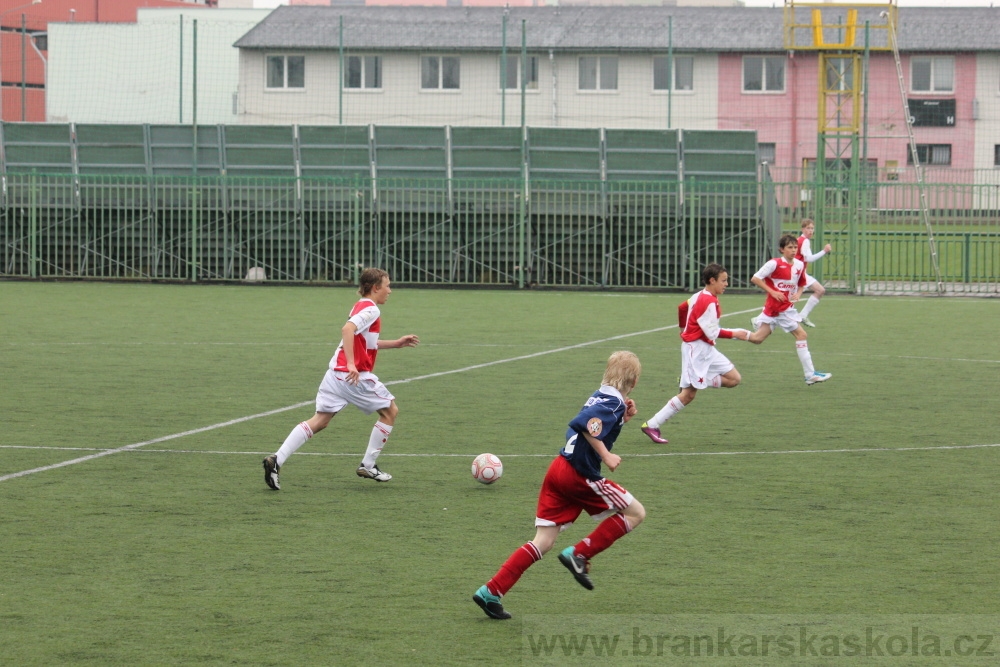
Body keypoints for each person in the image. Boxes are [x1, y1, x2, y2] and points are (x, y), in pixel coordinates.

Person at [472, 351, 644, 620]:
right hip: (578, 474)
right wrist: (608, 455)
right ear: (633, 381)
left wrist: (623, 418)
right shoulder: (612, 403)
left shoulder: (601, 396)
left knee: (543, 541)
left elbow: (594, 424)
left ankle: (491, 591)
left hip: (558, 470)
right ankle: (580, 554)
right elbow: (585, 425)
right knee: (635, 513)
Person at [262, 268, 419, 490]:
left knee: (320, 420)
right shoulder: (371, 309)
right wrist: (353, 365)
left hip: (334, 374)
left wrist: (396, 343)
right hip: (353, 376)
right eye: (387, 285)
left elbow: (365, 342)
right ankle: (368, 464)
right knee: (390, 412)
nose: (390, 291)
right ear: (376, 287)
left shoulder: (360, 305)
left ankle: (276, 460)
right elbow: (347, 329)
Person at [639, 263, 751, 445]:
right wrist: (736, 334)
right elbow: (712, 333)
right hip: (696, 350)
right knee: (689, 394)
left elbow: (682, 308)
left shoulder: (699, 295)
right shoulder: (707, 301)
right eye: (723, 280)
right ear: (712, 280)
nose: (727, 284)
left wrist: (683, 327)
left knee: (734, 379)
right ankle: (652, 424)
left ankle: (688, 378)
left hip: (707, 349)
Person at [748, 235, 832, 385]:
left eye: (795, 247)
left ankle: (722, 333)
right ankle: (810, 375)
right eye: (789, 247)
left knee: (757, 339)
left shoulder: (799, 265)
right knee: (801, 334)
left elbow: (801, 283)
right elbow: (755, 278)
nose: (793, 250)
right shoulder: (773, 264)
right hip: (779, 309)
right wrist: (772, 292)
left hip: (782, 308)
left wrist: (798, 294)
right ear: (782, 249)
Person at [796, 218, 832, 327]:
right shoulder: (804, 241)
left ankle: (803, 315)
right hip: (797, 275)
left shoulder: (803, 240)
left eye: (812, 228)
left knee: (820, 290)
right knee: (785, 302)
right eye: (808, 228)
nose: (810, 231)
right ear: (803, 229)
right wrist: (824, 251)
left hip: (800, 274)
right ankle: (760, 319)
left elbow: (808, 257)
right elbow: (809, 259)